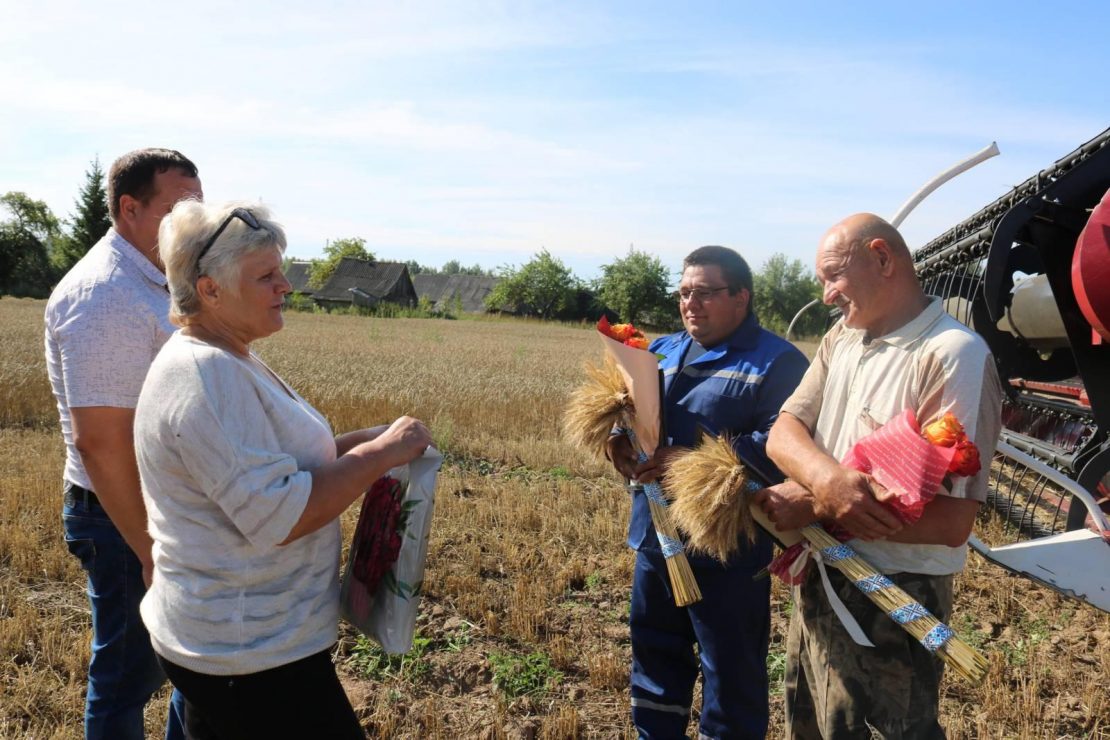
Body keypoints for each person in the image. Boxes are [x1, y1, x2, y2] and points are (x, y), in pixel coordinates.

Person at [134, 200, 431, 739]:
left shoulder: (226, 355)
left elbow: (271, 469)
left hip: (234, 645)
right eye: (266, 275)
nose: (286, 286)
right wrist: (379, 455)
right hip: (249, 658)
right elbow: (280, 514)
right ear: (210, 290)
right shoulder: (208, 375)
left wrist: (359, 445)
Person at [756, 213, 1003, 738]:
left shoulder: (951, 354)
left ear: (883, 259)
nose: (825, 296)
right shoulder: (843, 338)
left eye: (833, 276)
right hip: (822, 573)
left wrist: (819, 505)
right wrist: (826, 483)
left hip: (895, 592)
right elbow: (784, 431)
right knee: (812, 721)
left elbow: (951, 522)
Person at [606, 246, 809, 739]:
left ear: (741, 296)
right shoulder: (660, 351)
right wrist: (616, 440)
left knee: (730, 673)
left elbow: (780, 444)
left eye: (704, 292)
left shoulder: (777, 362)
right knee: (654, 661)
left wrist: (694, 462)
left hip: (727, 551)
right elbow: (631, 414)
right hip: (656, 538)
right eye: (684, 293)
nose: (690, 303)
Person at [45, 148, 202, 739]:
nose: (196, 219)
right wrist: (148, 547)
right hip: (121, 516)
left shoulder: (157, 279)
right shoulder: (105, 295)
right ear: (129, 209)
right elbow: (100, 445)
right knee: (127, 677)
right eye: (180, 207)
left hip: (159, 507)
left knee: (187, 667)